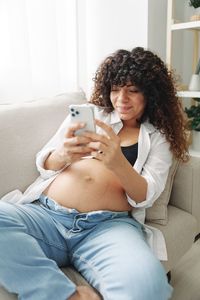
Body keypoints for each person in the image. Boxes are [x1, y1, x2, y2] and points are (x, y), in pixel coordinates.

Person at [0, 47, 188, 300]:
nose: (122, 98)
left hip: (107, 227)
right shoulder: (90, 113)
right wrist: (63, 155)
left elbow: (147, 195)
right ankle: (66, 295)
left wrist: (117, 162)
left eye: (133, 90)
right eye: (116, 88)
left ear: (151, 94)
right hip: (45, 216)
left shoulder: (158, 138)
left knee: (148, 287)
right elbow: (44, 162)